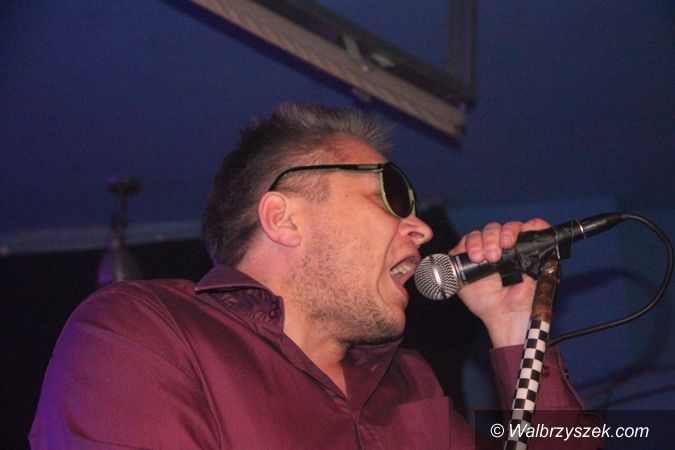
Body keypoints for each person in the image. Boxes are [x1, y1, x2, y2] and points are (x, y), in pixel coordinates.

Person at [30, 104, 600, 449]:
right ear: (284, 218)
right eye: (390, 195)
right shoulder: (145, 331)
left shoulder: (411, 389)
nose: (421, 228)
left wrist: (518, 329)